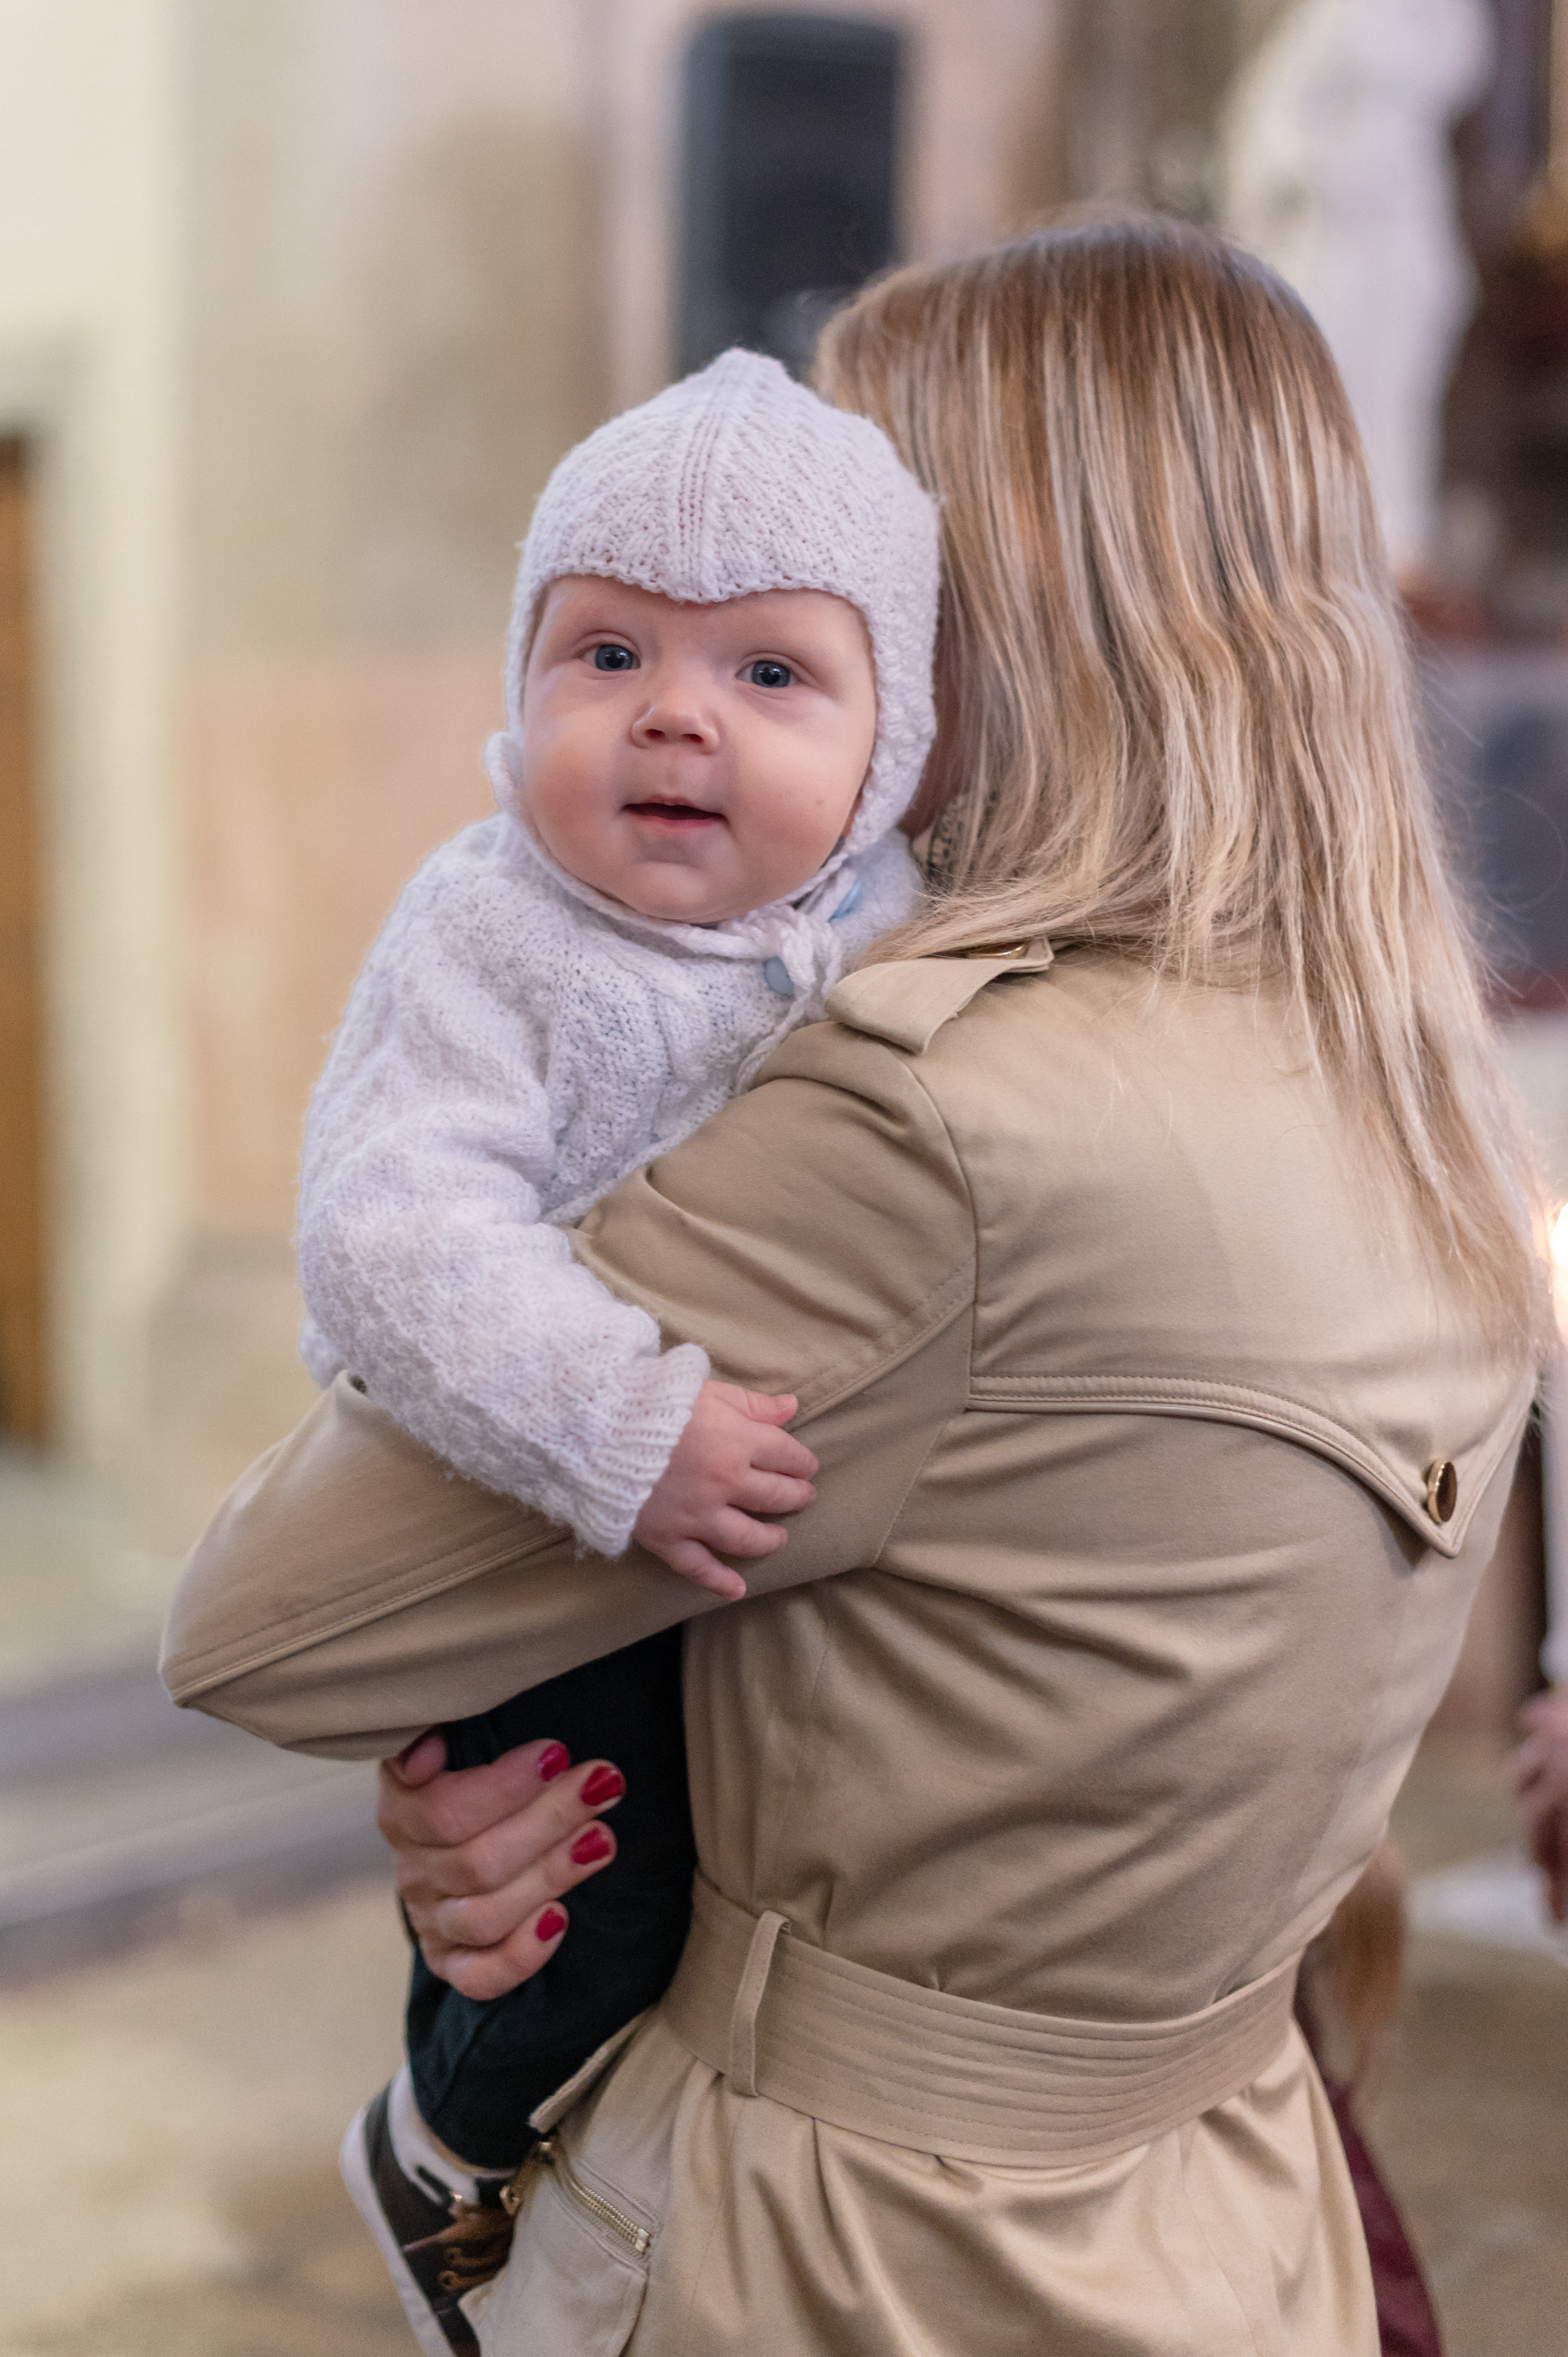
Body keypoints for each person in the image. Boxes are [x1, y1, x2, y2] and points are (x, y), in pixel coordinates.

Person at [164, 216, 1546, 2357]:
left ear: (992, 616)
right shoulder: (1411, 1081)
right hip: (1234, 2217)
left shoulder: (942, 1117)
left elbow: (266, 1619)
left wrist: (507, 1735)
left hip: (859, 2262)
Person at [290, 345, 940, 2351]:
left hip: (758, 1550)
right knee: (580, 1905)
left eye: (771, 671)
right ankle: (443, 2151)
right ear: (522, 683)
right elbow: (390, 1235)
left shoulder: (902, 931)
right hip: (530, 1507)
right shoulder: (494, 931)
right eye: (606, 653)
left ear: (896, 741)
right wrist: (619, 1427)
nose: (674, 710)